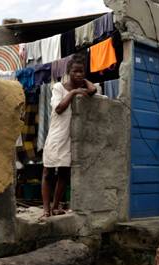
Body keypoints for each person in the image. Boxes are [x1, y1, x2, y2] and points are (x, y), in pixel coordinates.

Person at [41, 54, 96, 218]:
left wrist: (83, 83)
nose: (79, 74)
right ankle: (46, 210)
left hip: (70, 138)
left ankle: (56, 206)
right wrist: (73, 93)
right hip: (57, 136)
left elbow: (93, 90)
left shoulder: (82, 87)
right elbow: (59, 108)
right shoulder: (58, 87)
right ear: (68, 72)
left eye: (81, 72)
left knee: (64, 174)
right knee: (48, 172)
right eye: (75, 71)